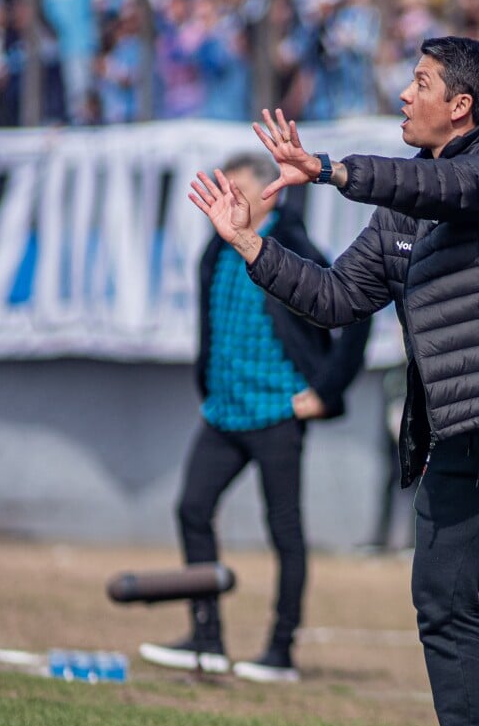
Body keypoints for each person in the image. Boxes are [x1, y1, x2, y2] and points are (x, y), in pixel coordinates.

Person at [188, 37, 479, 726]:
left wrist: (326, 168)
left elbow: (453, 191)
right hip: (457, 431)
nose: (403, 94)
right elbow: (334, 299)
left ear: (462, 105)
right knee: (441, 600)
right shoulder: (402, 208)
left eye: (419, 83)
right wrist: (250, 243)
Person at [140, 154, 370, 683]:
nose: (229, 198)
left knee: (284, 531)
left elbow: (355, 313)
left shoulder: (295, 246)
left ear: (270, 194)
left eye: (239, 188)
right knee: (192, 509)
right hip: (224, 411)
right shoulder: (214, 249)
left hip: (277, 413)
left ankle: (280, 652)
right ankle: (207, 638)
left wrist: (326, 391)